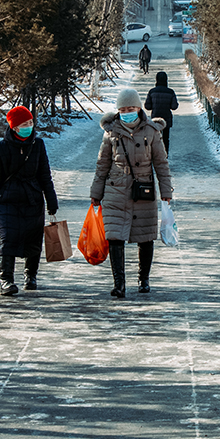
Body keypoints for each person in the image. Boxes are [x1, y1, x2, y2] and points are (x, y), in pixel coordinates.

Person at [90, 89, 173, 297]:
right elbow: (102, 164)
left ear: (139, 108)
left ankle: (143, 278)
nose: (127, 112)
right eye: (123, 109)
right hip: (115, 191)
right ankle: (119, 284)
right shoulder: (111, 132)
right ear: (118, 111)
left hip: (143, 191)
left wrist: (165, 190)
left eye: (131, 108)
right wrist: (96, 193)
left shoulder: (152, 131)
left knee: (145, 237)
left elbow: (161, 164)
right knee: (115, 237)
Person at [0, 106, 58, 296]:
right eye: (24, 124)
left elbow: (45, 176)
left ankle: (30, 275)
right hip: (7, 201)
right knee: (8, 239)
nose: (29, 127)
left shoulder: (38, 145)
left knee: (33, 239)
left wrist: (52, 201)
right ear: (14, 127)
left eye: (31, 123)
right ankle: (6, 280)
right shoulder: (0, 149)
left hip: (32, 199)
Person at [145, 72, 179, 155]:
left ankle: (155, 155)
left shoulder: (152, 92)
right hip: (166, 118)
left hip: (155, 118)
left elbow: (147, 106)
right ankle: (165, 154)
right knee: (166, 138)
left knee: (155, 137)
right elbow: (174, 106)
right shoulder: (170, 92)